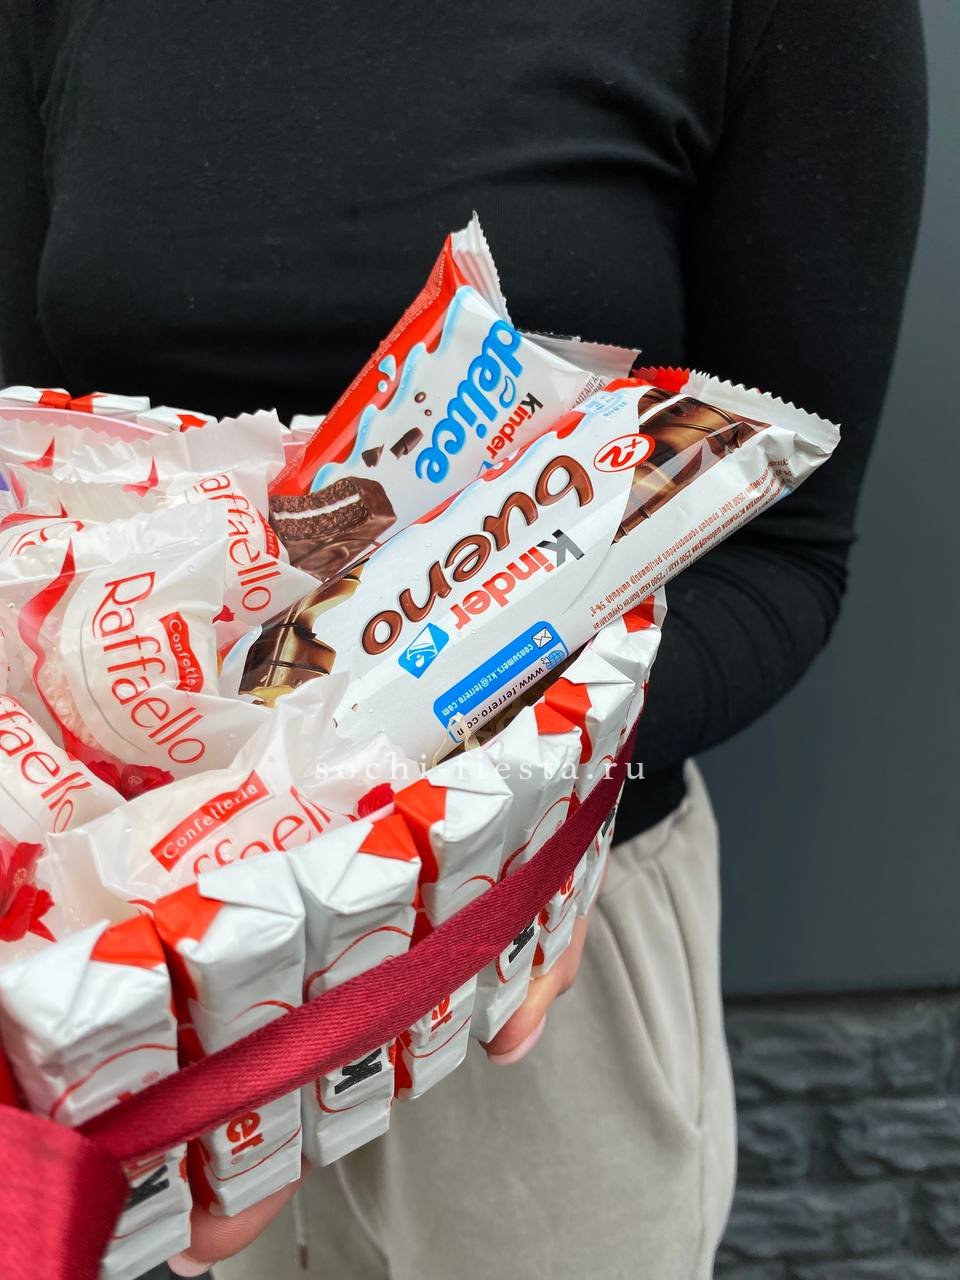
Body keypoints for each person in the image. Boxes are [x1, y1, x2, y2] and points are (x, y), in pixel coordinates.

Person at [0, 2, 926, 1276]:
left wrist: (526, 809)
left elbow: (786, 554)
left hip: (543, 965)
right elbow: (31, 490)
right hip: (137, 962)